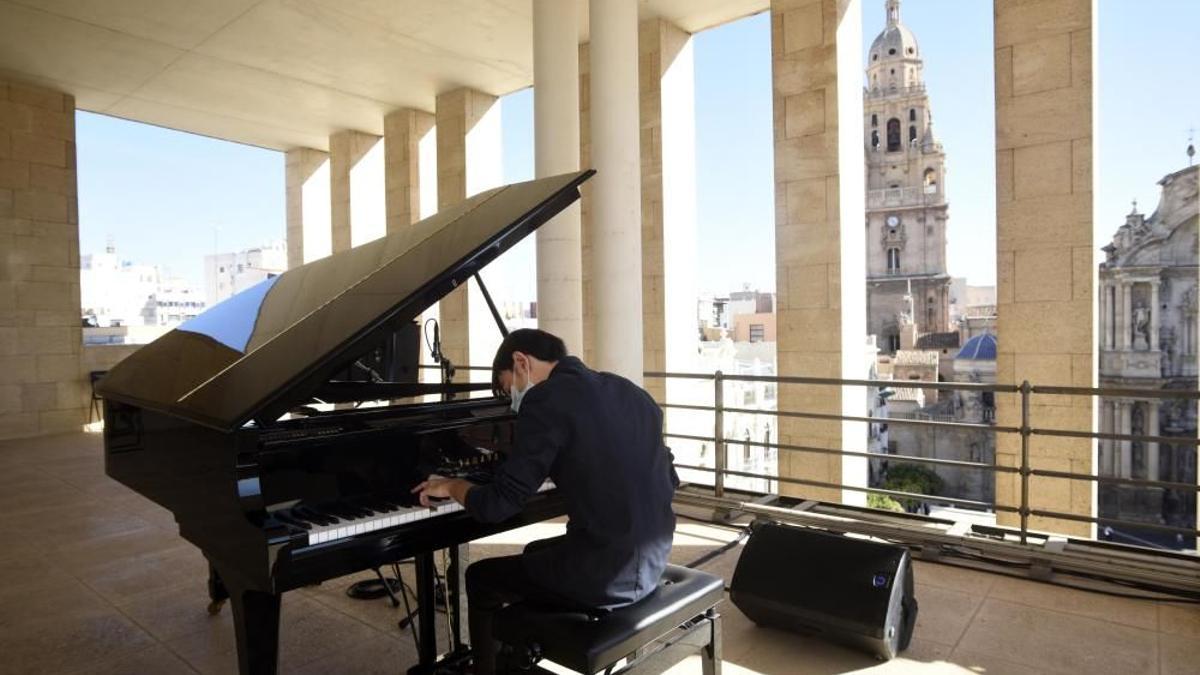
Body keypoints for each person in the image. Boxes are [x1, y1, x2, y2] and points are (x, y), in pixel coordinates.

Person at [412, 328, 679, 674]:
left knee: (479, 576)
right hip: (654, 558)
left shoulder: (545, 399)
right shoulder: (629, 391)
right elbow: (668, 477)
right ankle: (518, 655)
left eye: (507, 388)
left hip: (609, 574)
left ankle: (489, 668)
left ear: (521, 362)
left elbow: (498, 505)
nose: (511, 401)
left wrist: (453, 486)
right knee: (534, 552)